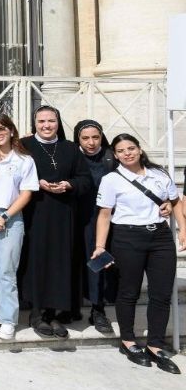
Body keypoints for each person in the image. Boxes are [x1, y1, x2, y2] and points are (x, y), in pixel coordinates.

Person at [94, 133, 185, 374]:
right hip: (127, 237)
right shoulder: (112, 179)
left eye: (131, 148)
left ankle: (155, 344)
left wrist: (183, 229)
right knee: (129, 291)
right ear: (116, 155)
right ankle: (128, 341)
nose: (128, 153)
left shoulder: (159, 174)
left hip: (161, 238)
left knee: (161, 293)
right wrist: (100, 246)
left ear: (140, 149)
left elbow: (174, 202)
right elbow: (104, 215)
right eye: (122, 150)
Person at [20, 105, 91, 338]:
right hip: (36, 211)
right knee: (37, 260)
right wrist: (36, 182)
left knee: (61, 261)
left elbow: (85, 179)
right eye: (41, 121)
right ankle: (37, 313)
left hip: (64, 213)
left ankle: (56, 314)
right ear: (35, 124)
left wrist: (68, 185)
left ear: (58, 123)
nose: (46, 125)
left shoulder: (70, 148)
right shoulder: (25, 146)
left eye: (51, 121)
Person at [0, 114, 38, 340]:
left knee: (7, 272)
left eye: (2, 128)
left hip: (10, 217)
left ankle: (8, 320)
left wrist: (3, 217)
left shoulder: (24, 160)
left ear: (11, 130)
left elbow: (26, 193)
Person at [74, 119, 117, 334]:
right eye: (85, 138)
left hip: (102, 218)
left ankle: (98, 309)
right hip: (76, 217)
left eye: (95, 137)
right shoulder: (73, 156)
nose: (91, 142)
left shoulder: (111, 158)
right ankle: (71, 306)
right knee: (75, 261)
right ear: (78, 139)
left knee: (98, 262)